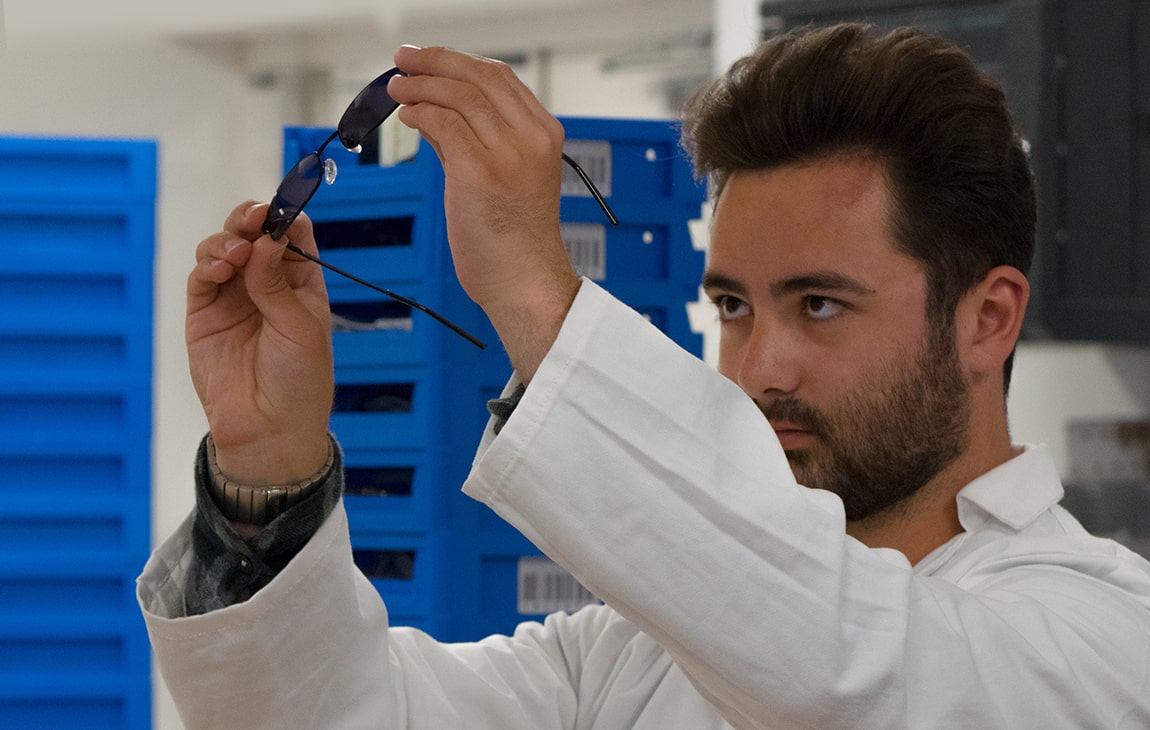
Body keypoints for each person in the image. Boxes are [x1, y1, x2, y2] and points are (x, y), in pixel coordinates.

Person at [138, 23, 1150, 728]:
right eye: (733, 306)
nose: (758, 365)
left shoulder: (1101, 642)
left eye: (821, 305)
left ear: (987, 320)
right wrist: (264, 472)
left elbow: (858, 675)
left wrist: (540, 300)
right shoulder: (639, 659)